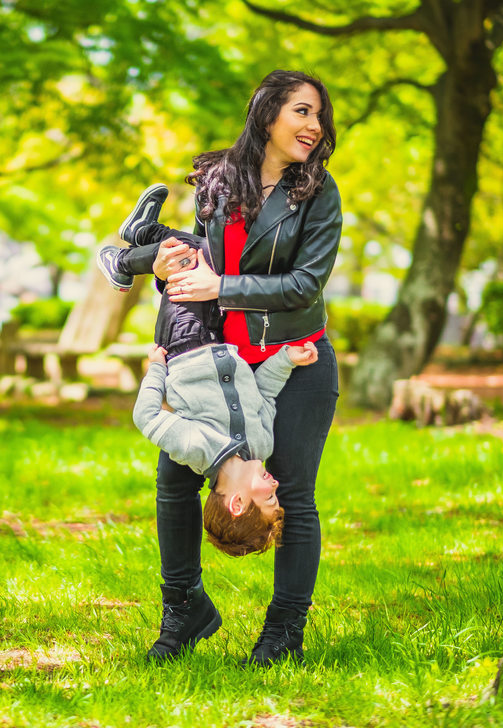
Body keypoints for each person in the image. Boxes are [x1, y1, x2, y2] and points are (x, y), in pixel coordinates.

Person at [121, 70, 342, 666]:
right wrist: (160, 259)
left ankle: (283, 633)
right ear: (268, 114)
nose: (314, 126)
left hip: (296, 360)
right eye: (301, 111)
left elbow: (304, 285)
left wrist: (220, 284)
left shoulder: (318, 193)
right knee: (174, 483)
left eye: (318, 115)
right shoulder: (220, 182)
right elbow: (203, 251)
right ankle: (185, 609)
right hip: (218, 357)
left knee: (294, 493)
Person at [133, 339, 318, 558]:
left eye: (270, 497)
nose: (276, 484)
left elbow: (147, 416)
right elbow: (264, 393)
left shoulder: (196, 450)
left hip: (184, 339)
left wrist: (156, 368)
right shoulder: (262, 445)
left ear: (237, 503)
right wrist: (286, 360)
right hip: (226, 335)